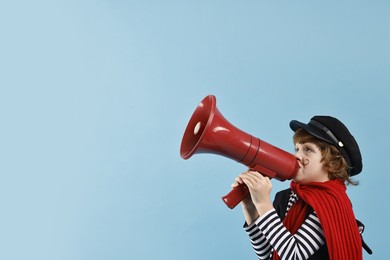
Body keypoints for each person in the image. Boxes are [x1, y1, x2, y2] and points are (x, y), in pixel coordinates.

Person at [232, 116, 372, 260]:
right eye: (297, 148)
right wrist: (251, 208)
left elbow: (294, 255)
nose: (297, 155)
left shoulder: (331, 204)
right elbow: (267, 254)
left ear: (333, 163)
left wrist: (263, 204)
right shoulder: (285, 197)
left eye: (308, 149)